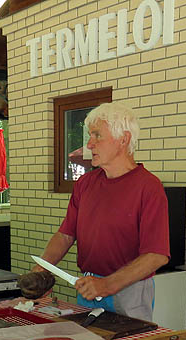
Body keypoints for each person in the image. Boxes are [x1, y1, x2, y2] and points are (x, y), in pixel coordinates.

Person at [34, 102, 170, 321]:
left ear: (123, 139)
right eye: (90, 136)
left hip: (130, 289)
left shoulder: (149, 187)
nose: (89, 144)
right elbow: (65, 235)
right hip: (88, 286)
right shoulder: (84, 184)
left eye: (97, 136)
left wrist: (107, 284)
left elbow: (156, 255)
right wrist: (41, 269)